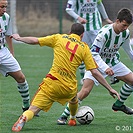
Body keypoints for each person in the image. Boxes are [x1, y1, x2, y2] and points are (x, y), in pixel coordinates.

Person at [11, 23, 119, 132]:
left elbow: (35, 40)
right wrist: (110, 88)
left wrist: (19, 38)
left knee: (33, 110)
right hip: (69, 88)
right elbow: (95, 72)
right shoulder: (85, 48)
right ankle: (72, 119)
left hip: (52, 83)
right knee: (74, 99)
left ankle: (24, 117)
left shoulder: (59, 38)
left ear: (70, 32)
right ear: (82, 35)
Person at [57, 8, 133, 125]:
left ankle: (118, 105)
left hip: (113, 62)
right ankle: (64, 116)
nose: (125, 28)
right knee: (85, 91)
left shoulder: (125, 34)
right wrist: (105, 67)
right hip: (96, 64)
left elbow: (129, 51)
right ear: (117, 21)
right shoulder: (105, 33)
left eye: (127, 26)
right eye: (123, 25)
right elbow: (93, 53)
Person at [66, 0, 113, 85]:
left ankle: (108, 75)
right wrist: (78, 18)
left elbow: (100, 5)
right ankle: (83, 77)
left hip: (96, 27)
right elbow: (68, 9)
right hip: (82, 29)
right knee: (80, 52)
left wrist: (106, 18)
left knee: (102, 51)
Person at [0, 0, 30, 112]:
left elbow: (8, 35)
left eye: (6, 7)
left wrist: (12, 52)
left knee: (21, 78)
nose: (4, 9)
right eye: (2, 7)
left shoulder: (6, 17)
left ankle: (26, 106)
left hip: (3, 52)